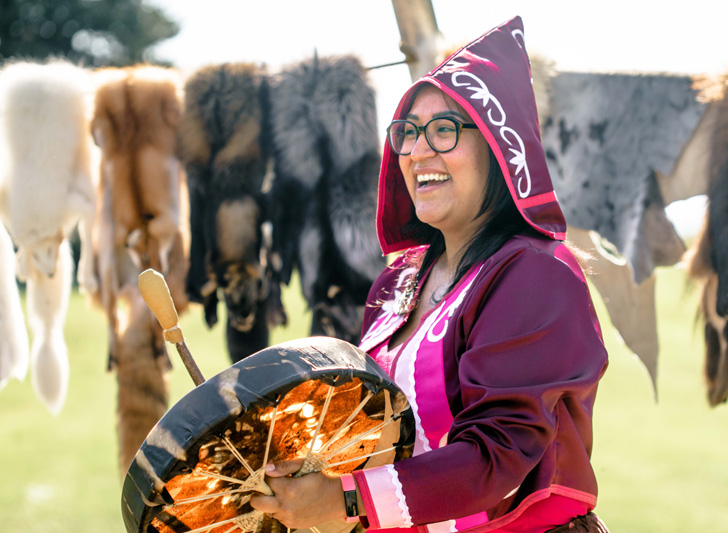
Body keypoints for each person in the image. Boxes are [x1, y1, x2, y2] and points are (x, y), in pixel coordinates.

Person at [251, 16, 609, 533]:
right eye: (408, 132)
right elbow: (378, 428)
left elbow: (499, 455)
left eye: (444, 130)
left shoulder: (536, 273)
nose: (418, 151)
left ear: (497, 147)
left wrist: (346, 501)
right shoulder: (395, 283)